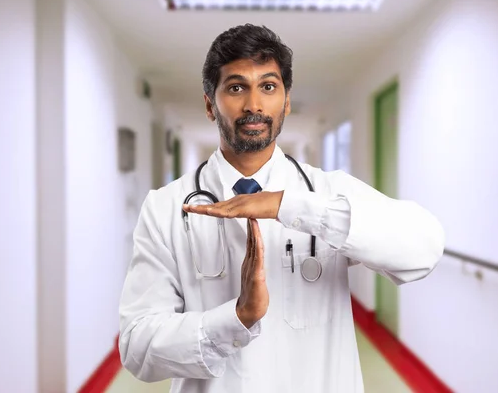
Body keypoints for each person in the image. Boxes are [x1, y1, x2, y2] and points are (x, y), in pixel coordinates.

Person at [118, 23, 445, 393]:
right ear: (211, 105)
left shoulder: (326, 191)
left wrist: (288, 205)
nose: (254, 104)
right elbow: (137, 346)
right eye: (236, 87)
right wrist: (236, 319)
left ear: (286, 100)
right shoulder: (166, 208)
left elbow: (424, 247)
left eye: (268, 86)